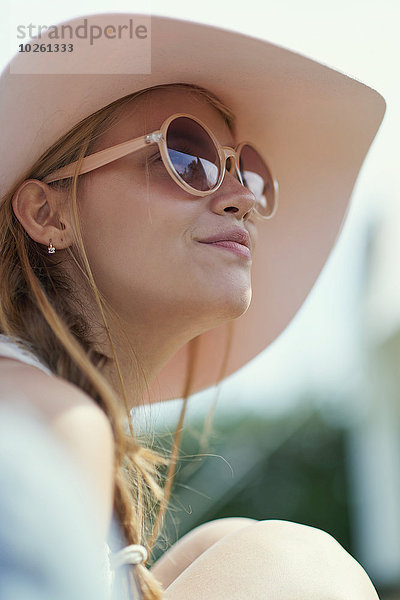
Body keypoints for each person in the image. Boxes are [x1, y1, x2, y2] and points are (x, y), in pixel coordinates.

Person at [0, 10, 386, 600]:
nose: (240, 200)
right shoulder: (42, 419)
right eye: (186, 157)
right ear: (50, 213)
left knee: (227, 544)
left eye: (247, 173)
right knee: (290, 564)